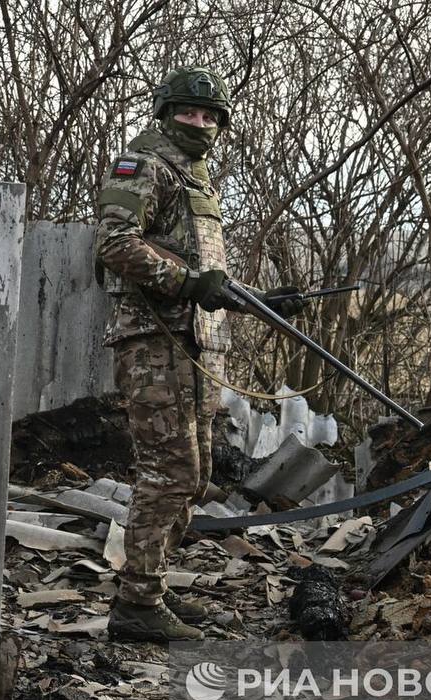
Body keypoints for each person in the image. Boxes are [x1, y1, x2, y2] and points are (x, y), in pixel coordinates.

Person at [94, 66, 305, 642]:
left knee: (197, 473)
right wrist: (187, 285)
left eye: (211, 116)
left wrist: (260, 303)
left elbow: (205, 277)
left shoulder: (196, 179)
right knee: (169, 472)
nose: (201, 123)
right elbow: (114, 245)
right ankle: (135, 605)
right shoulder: (142, 166)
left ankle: (151, 590)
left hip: (195, 343)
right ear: (165, 114)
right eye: (189, 113)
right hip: (152, 342)